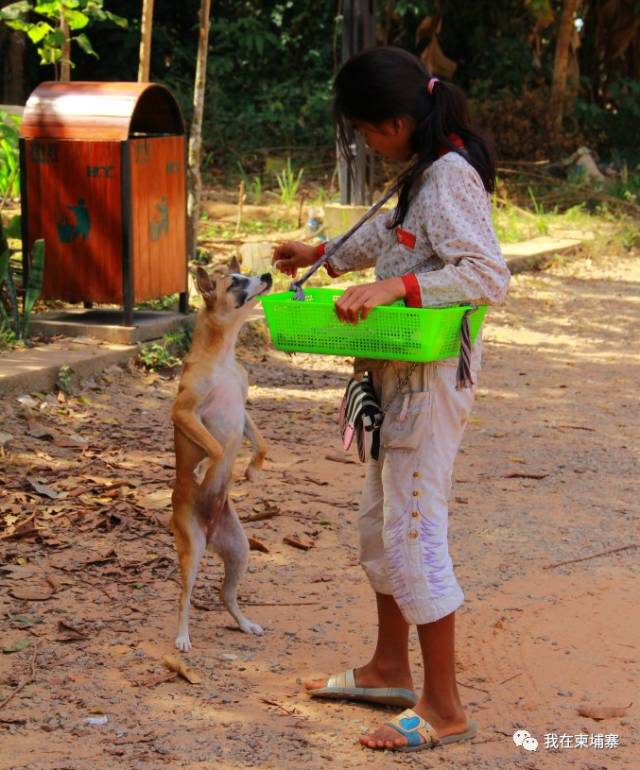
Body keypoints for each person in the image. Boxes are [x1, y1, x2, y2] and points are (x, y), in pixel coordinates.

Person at [272, 46, 510, 754]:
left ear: (398, 121)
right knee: (379, 526)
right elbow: (390, 234)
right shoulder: (422, 173)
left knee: (413, 531)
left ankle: (444, 708)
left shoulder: (451, 177)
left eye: (365, 131)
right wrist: (323, 256)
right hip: (390, 371)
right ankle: (387, 667)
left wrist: (396, 288)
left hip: (428, 381)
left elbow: (485, 273)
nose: (364, 143)